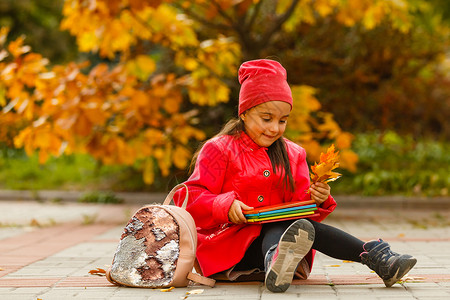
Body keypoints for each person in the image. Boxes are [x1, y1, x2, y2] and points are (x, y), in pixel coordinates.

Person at [174, 59, 417, 293]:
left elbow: (300, 208)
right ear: (245, 113)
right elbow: (190, 197)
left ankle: (376, 259)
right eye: (266, 119)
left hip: (282, 239)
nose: (274, 128)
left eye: (283, 121)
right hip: (230, 247)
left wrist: (317, 198)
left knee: (290, 220)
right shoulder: (219, 149)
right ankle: (371, 254)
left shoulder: (293, 153)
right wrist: (224, 205)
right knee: (282, 221)